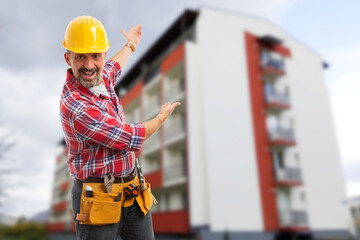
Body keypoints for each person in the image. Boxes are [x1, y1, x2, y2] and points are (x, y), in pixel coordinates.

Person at [60, 15, 180, 240]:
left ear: (103, 55)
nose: (89, 65)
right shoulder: (76, 106)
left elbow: (113, 67)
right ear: (68, 58)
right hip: (97, 199)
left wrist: (131, 44)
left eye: (96, 56)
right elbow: (127, 136)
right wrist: (161, 119)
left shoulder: (98, 77)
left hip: (132, 192)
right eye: (80, 57)